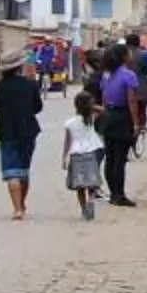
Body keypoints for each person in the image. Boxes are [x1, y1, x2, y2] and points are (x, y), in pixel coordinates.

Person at [0, 59, 44, 220]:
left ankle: (17, 208)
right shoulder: (30, 85)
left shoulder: (0, 85)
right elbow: (38, 107)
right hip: (28, 131)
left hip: (7, 132)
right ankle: (22, 203)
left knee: (11, 171)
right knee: (24, 170)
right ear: (19, 67)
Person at [95, 45, 142, 207]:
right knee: (120, 158)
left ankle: (113, 193)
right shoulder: (129, 75)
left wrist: (104, 116)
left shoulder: (106, 76)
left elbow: (104, 99)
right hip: (123, 116)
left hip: (108, 116)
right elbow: (132, 100)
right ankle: (119, 195)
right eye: (128, 53)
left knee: (110, 157)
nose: (131, 55)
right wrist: (136, 123)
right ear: (123, 57)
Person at [60, 88, 106, 220]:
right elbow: (104, 110)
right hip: (92, 151)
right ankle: (91, 199)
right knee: (91, 182)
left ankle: (84, 209)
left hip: (76, 154)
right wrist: (92, 107)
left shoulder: (70, 123)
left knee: (79, 185)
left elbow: (67, 142)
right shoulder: (90, 118)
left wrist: (64, 157)